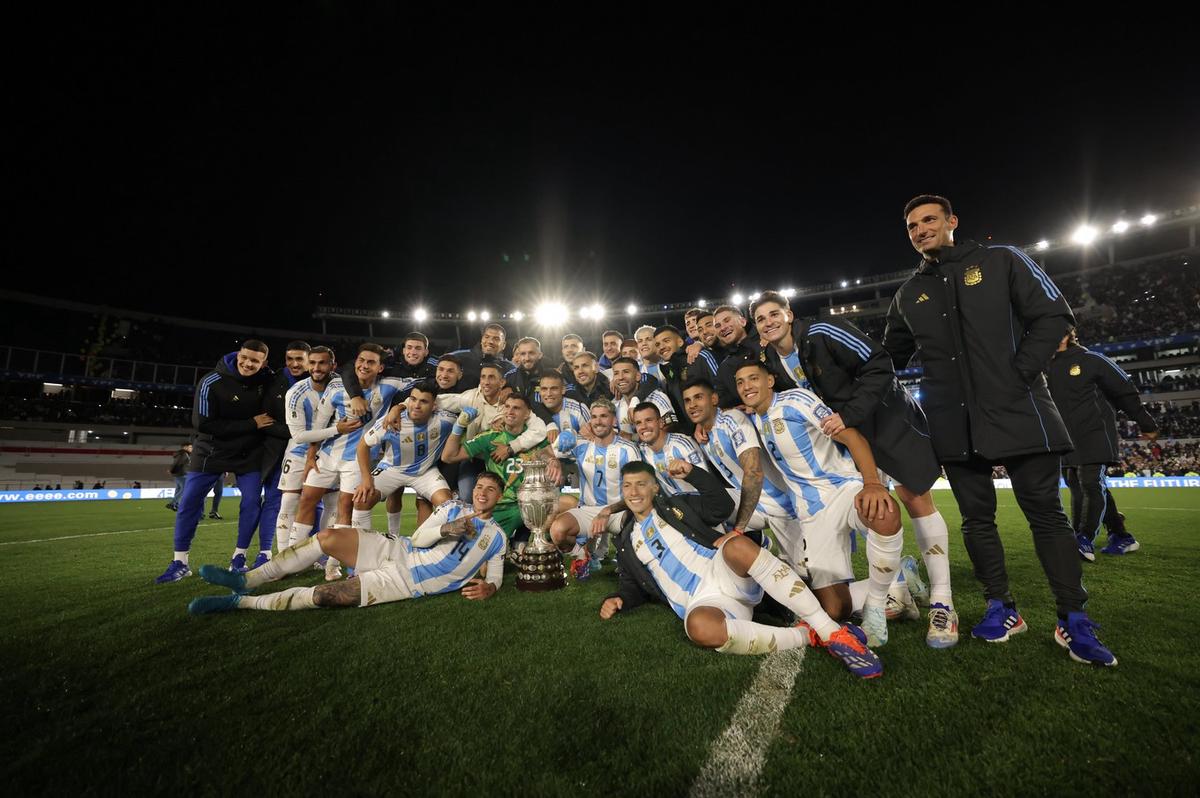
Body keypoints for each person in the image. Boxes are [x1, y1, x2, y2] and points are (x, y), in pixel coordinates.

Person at [883, 194, 1115, 666]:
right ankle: (1001, 606)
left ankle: (1073, 618)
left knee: (1047, 516)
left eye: (929, 220)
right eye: (912, 226)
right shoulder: (910, 293)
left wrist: (1020, 373)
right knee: (976, 520)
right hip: (954, 423)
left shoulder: (1002, 260)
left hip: (1020, 412)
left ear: (952, 221)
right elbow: (886, 358)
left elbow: (1054, 316)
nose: (921, 229)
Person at [752, 291, 956, 648]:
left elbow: (879, 362)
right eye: (760, 318)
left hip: (886, 421)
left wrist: (850, 414)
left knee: (914, 497)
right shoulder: (769, 358)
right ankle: (898, 577)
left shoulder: (823, 330)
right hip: (845, 438)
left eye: (774, 314)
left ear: (789, 314)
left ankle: (943, 600)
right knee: (873, 509)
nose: (768, 322)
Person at [599, 460, 882, 679]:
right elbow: (631, 584)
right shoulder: (625, 539)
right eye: (627, 486)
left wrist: (693, 474)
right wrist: (620, 599)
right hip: (703, 602)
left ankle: (831, 632)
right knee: (699, 629)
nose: (634, 492)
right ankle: (809, 636)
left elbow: (721, 506)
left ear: (655, 488)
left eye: (641, 484)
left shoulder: (676, 504)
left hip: (721, 571)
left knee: (735, 544)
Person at [734, 360, 904, 647]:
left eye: (753, 378)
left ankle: (875, 605)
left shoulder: (796, 400)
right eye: (740, 382)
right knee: (834, 610)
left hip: (843, 489)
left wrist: (872, 483)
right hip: (811, 514)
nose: (747, 386)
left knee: (884, 512)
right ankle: (901, 582)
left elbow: (851, 436)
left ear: (770, 381)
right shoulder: (754, 419)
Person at [188, 472, 508, 615]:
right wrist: (447, 528)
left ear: (499, 496)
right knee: (327, 537)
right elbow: (421, 538)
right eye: (479, 486)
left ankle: (239, 603)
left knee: (327, 595)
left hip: (409, 581)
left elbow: (494, 576)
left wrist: (490, 588)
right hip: (399, 549)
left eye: (490, 490)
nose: (481, 493)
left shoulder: (497, 538)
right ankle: (246, 581)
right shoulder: (452, 508)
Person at [155, 341, 275, 584]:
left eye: (255, 361)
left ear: (263, 364)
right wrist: (251, 424)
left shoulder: (267, 380)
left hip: (248, 453)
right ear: (238, 355)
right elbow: (203, 424)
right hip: (211, 450)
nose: (248, 363)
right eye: (245, 357)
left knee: (252, 502)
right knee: (188, 502)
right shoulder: (211, 380)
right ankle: (180, 562)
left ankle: (239, 558)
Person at [292, 343, 405, 580]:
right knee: (306, 500)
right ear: (355, 363)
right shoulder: (335, 386)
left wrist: (398, 407)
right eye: (361, 360)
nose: (365, 365)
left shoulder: (389, 386)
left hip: (358, 460)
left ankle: (333, 565)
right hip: (328, 453)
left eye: (371, 362)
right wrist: (311, 455)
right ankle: (290, 560)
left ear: (380, 367)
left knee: (345, 508)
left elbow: (420, 389)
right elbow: (320, 424)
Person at [1046, 328, 1159, 558]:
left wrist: (1146, 423)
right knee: (1078, 485)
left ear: (1069, 333)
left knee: (1089, 483)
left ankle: (1083, 537)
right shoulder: (1046, 366)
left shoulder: (1092, 360)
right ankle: (1121, 535)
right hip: (1065, 438)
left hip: (1095, 434)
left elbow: (1124, 389)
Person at [680, 378, 802, 555]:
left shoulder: (732, 420)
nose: (692, 405)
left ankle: (749, 541)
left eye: (698, 397)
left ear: (714, 399)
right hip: (755, 506)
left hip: (782, 507)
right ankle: (737, 552)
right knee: (694, 502)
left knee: (812, 576)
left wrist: (739, 529)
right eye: (687, 401)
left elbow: (754, 473)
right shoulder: (706, 435)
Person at [440, 393, 557, 540]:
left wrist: (553, 461)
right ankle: (516, 543)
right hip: (500, 507)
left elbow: (551, 456)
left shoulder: (537, 437)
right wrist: (459, 426)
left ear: (527, 414)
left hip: (531, 503)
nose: (510, 411)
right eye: (507, 407)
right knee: (474, 545)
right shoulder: (491, 437)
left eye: (516, 408)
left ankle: (525, 542)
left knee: (562, 505)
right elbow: (448, 456)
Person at [547, 397, 641, 575]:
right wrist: (553, 460)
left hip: (619, 511)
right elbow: (544, 452)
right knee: (558, 531)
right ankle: (583, 554)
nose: (598, 421)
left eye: (604, 416)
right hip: (589, 510)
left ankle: (626, 559)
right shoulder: (581, 445)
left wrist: (608, 511)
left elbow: (637, 492)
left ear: (613, 420)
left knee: (636, 529)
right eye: (594, 416)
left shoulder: (628, 449)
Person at [352, 382, 457, 529]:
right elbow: (363, 445)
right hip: (391, 469)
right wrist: (365, 479)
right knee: (361, 499)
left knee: (448, 506)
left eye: (424, 401)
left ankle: (427, 546)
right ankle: (371, 543)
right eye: (413, 399)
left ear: (434, 406)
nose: (416, 405)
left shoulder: (446, 420)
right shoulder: (391, 420)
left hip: (425, 472)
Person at [253, 341, 312, 569]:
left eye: (300, 359)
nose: (295, 364)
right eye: (290, 359)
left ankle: (313, 553)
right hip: (278, 452)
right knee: (274, 501)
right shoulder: (274, 380)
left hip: (313, 452)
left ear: (308, 359)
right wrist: (299, 433)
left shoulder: (321, 381)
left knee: (313, 502)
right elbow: (264, 420)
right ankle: (266, 552)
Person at [276, 345, 338, 550]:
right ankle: (284, 557)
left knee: (333, 504)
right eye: (312, 363)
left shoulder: (342, 387)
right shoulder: (296, 393)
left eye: (322, 363)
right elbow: (299, 436)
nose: (317, 368)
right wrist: (338, 429)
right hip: (298, 452)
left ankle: (322, 554)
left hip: (332, 453)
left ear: (332, 365)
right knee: (289, 502)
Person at [631, 401, 707, 496]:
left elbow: (706, 480)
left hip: (701, 502)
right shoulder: (641, 451)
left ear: (661, 423)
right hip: (676, 506)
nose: (643, 426)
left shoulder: (682, 443)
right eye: (638, 423)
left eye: (649, 420)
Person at [610, 357, 675, 439]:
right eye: (616, 373)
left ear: (638, 376)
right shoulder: (615, 405)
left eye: (626, 372)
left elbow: (671, 426)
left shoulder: (656, 397)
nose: (620, 377)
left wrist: (634, 438)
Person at [712, 305, 762, 408]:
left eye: (727, 320)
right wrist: (733, 410)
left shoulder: (766, 342)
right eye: (717, 326)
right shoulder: (724, 368)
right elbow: (721, 402)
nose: (723, 328)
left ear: (743, 322)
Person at [441, 323, 515, 391]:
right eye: (487, 337)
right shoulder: (459, 357)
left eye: (496, 339)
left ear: (504, 345)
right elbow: (437, 370)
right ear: (482, 339)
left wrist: (509, 388)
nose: (490, 341)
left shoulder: (510, 369)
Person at [166, 442, 191, 511]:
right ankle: (172, 503)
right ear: (185, 447)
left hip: (178, 474)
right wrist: (172, 470)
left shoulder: (181, 454)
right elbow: (177, 463)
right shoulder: (184, 454)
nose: (191, 449)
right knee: (184, 489)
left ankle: (175, 504)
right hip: (181, 474)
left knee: (179, 489)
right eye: (190, 447)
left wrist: (172, 470)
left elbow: (176, 463)